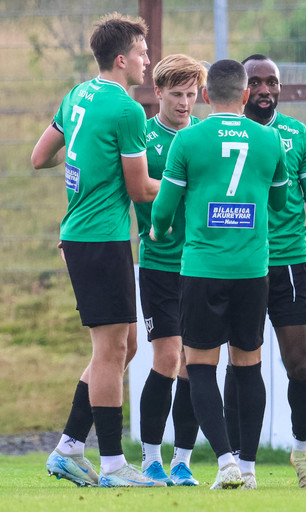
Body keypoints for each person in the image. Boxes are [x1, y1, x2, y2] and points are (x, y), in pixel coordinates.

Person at [31, 12, 163, 487]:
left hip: (85, 235)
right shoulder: (127, 110)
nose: (148, 60)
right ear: (122, 59)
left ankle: (69, 447)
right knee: (110, 350)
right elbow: (141, 189)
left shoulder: (77, 94)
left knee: (126, 345)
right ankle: (112, 465)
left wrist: (85, 161)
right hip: (99, 239)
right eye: (142, 53)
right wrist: (186, 184)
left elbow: (40, 157)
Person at [150, 58, 288, 491]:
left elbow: (163, 208)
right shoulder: (269, 139)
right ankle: (248, 468)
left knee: (200, 366)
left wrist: (158, 230)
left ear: (206, 95)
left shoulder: (188, 139)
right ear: (246, 95)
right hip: (252, 269)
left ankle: (225, 459)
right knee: (248, 365)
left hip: (203, 269)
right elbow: (281, 203)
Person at [223, 54, 306, 489]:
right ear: (242, 89)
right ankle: (239, 462)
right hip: (241, 262)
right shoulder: (227, 134)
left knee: (300, 364)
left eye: (272, 82)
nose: (265, 90)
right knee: (240, 364)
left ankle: (303, 453)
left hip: (289, 261)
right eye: (256, 82)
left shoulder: (297, 134)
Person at [133, 54, 207, 486]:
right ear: (157, 92)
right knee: (166, 356)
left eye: (191, 94)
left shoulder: (203, 137)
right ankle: (150, 459)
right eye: (176, 94)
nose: (184, 103)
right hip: (158, 264)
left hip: (200, 265)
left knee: (192, 363)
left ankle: (182, 461)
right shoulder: (142, 137)